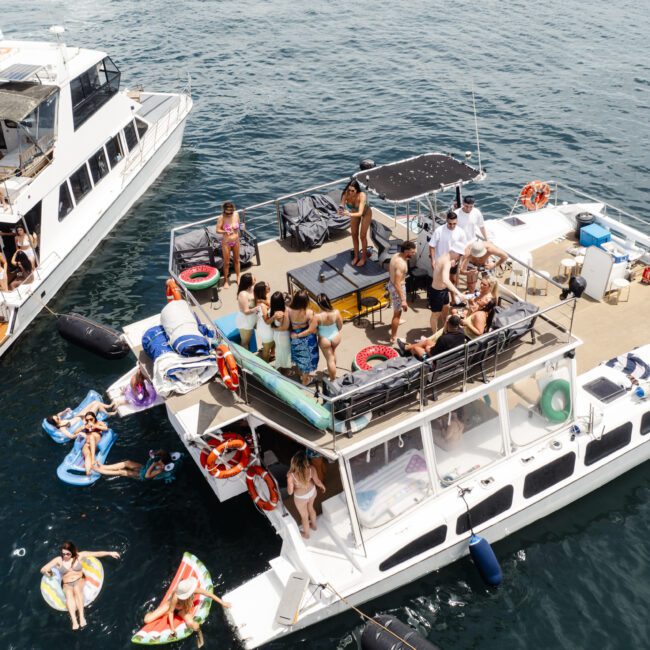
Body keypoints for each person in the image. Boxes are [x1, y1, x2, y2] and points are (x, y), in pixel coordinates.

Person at [40, 542, 120, 630]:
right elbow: (43, 569)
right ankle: (74, 621)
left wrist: (110, 553)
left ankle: (82, 617)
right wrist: (49, 573)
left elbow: (96, 554)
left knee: (77, 589)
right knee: (69, 594)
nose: (65, 556)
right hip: (67, 583)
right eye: (63, 553)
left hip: (79, 580)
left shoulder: (79, 556)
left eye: (67, 554)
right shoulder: (59, 560)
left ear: (72, 552)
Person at [142, 576, 230, 647]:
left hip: (183, 610)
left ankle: (200, 636)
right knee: (147, 620)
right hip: (170, 606)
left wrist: (222, 602)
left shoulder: (193, 590)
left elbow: (208, 594)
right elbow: (171, 612)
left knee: (193, 624)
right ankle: (152, 612)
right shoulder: (175, 597)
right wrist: (172, 628)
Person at [428, 243, 467, 332]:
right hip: (437, 291)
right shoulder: (446, 262)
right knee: (435, 315)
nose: (459, 257)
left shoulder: (445, 256)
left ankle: (444, 328)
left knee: (446, 308)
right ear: (455, 252)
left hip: (443, 290)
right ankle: (435, 334)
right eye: (460, 255)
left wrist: (450, 263)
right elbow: (446, 280)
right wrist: (459, 293)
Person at [287, 451, 325, 539]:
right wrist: (322, 486)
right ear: (305, 461)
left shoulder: (291, 475)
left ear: (293, 463)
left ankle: (306, 534)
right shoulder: (311, 469)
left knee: (304, 516)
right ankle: (314, 526)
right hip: (312, 492)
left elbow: (290, 492)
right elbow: (317, 481)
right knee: (311, 508)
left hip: (301, 498)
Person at [398, 314, 466, 360]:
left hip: (435, 361)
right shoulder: (462, 333)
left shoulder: (443, 339)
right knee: (427, 341)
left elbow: (431, 353)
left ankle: (407, 350)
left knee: (416, 348)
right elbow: (446, 333)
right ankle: (406, 348)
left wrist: (428, 348)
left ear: (448, 323)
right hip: (449, 357)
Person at [387, 240, 416, 344]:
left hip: (391, 284)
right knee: (397, 314)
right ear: (406, 251)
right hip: (397, 288)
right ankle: (393, 337)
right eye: (412, 252)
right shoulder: (401, 264)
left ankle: (397, 322)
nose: (414, 253)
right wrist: (403, 299)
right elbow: (397, 283)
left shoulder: (396, 255)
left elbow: (390, 271)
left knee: (396, 309)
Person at [288, 290, 319, 385]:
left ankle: (301, 374)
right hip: (306, 340)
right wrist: (299, 335)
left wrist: (294, 335)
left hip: (293, 338)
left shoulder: (288, 310)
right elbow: (310, 330)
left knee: (298, 357)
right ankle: (305, 380)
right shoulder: (309, 313)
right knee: (307, 361)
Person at [340, 179, 372, 267]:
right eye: (348, 190)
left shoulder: (362, 195)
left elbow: (360, 213)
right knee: (354, 234)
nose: (350, 192)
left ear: (357, 190)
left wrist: (349, 214)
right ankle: (356, 256)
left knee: (362, 236)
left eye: (352, 191)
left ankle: (363, 258)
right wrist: (340, 210)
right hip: (354, 212)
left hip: (365, 213)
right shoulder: (345, 194)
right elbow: (342, 205)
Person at [45, 400, 116, 439]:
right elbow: (71, 437)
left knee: (95, 402)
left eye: (56, 416)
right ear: (56, 423)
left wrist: (65, 411)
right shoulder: (62, 428)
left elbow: (59, 414)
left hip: (78, 415)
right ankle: (109, 414)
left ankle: (109, 406)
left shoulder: (58, 418)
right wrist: (80, 434)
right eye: (57, 418)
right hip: (84, 420)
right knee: (96, 405)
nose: (58, 417)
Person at [314, 294, 343, 381]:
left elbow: (314, 330)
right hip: (336, 337)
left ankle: (333, 380)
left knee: (329, 359)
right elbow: (340, 326)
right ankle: (331, 371)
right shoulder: (336, 312)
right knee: (333, 353)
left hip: (324, 339)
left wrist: (319, 333)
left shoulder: (317, 316)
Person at [95, 449, 172, 479]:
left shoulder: (160, 469)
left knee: (122, 472)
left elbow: (147, 476)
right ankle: (103, 466)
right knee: (127, 463)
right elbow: (152, 459)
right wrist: (153, 456)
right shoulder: (158, 459)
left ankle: (99, 470)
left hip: (141, 476)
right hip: (143, 468)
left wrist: (153, 465)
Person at [215, 201, 241, 288]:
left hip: (236, 240)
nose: (229, 214)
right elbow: (217, 230)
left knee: (236, 260)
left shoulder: (236, 214)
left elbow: (239, 224)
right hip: (226, 243)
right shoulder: (221, 218)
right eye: (227, 213)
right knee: (226, 263)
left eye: (231, 213)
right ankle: (226, 280)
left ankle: (238, 277)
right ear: (224, 210)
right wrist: (225, 231)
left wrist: (236, 227)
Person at [269, 291, 291, 372]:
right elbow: (285, 327)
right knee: (285, 352)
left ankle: (280, 366)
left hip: (276, 335)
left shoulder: (272, 310)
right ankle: (285, 370)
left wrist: (274, 328)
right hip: (284, 336)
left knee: (279, 351)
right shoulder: (285, 311)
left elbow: (270, 322)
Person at [254, 281, 275, 362]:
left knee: (272, 342)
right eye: (267, 287)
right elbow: (267, 321)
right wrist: (275, 316)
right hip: (266, 328)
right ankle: (265, 362)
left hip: (262, 326)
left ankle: (272, 354)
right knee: (267, 347)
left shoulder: (260, 298)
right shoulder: (262, 305)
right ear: (262, 291)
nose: (269, 288)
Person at [236, 273, 257, 351]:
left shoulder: (253, 288)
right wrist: (257, 308)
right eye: (253, 278)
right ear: (249, 282)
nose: (255, 278)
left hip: (255, 317)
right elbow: (246, 311)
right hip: (246, 321)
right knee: (245, 342)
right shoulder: (243, 294)